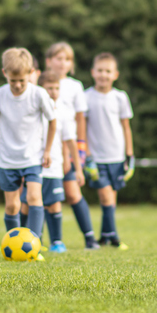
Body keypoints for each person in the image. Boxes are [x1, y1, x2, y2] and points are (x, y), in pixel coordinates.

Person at [0, 48, 56, 239]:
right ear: (5, 73)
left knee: (34, 197)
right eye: (13, 81)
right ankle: (13, 241)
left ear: (30, 74)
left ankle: (34, 242)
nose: (18, 85)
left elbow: (53, 121)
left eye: (22, 81)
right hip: (8, 159)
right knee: (12, 205)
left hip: (33, 157)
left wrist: (47, 150)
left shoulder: (39, 94)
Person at [44, 42, 97, 249]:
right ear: (49, 61)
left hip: (69, 146)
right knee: (45, 197)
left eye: (67, 59)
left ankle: (90, 238)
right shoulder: (41, 82)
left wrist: (80, 150)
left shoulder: (75, 86)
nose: (63, 63)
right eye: (58, 58)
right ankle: (50, 241)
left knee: (74, 193)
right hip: (47, 150)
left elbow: (80, 119)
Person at [82, 53, 133, 248]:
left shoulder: (120, 97)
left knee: (111, 200)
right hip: (96, 158)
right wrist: (86, 155)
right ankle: (115, 238)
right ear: (93, 72)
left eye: (108, 71)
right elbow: (82, 129)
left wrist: (130, 154)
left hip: (117, 157)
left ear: (115, 74)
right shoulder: (86, 97)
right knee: (106, 196)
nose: (104, 75)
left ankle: (104, 236)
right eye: (100, 70)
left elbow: (126, 127)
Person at [37, 70, 75, 252]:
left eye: (56, 88)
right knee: (33, 201)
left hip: (55, 165)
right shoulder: (35, 109)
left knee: (54, 202)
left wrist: (70, 160)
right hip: (34, 164)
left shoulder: (64, 111)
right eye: (49, 88)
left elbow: (69, 138)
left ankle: (57, 241)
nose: (53, 91)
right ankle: (36, 240)